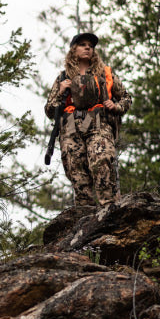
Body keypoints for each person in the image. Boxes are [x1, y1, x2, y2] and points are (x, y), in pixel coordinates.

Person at [44, 33, 132, 206]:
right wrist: (61, 91)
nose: (87, 48)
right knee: (76, 171)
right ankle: (84, 217)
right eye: (82, 44)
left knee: (102, 162)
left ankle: (109, 210)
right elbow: (49, 110)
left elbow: (127, 98)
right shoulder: (63, 78)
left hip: (99, 124)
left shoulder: (105, 74)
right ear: (73, 49)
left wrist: (116, 107)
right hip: (70, 129)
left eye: (90, 46)